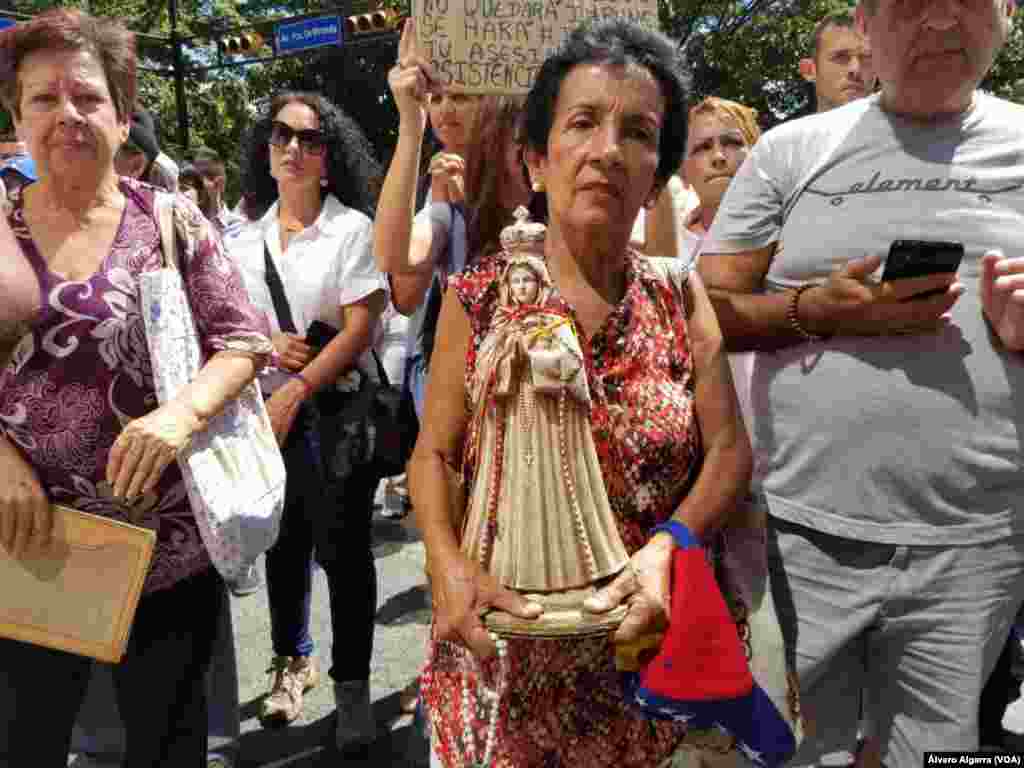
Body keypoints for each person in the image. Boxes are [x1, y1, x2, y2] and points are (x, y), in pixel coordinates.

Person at [410, 18, 757, 768]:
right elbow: (433, 454)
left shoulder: (676, 293)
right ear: (537, 159)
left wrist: (672, 545)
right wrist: (446, 563)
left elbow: (728, 450)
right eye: (583, 123)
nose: (607, 150)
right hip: (503, 676)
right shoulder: (476, 299)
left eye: (637, 131)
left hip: (650, 671)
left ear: (658, 166)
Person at [699, 0, 1024, 764]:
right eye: (912, 3)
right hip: (800, 537)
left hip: (976, 550)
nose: (942, 21)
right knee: (792, 752)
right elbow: (701, 310)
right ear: (866, 24)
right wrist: (818, 310)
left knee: (936, 755)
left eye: (968, 2)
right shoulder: (791, 151)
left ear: (1007, 15)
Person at [0, 9, 273, 767]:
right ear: (17, 117)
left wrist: (178, 418)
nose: (67, 116)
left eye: (87, 98)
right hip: (24, 548)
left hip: (164, 548)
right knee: (24, 746)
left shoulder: (169, 220)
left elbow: (244, 341)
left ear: (123, 117)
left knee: (168, 749)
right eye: (43, 99)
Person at [229, 90, 388, 752]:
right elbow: (230, 326)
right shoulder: (241, 239)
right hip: (265, 418)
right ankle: (292, 664)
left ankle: (352, 690)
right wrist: (267, 349)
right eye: (281, 135)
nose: (293, 147)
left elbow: (360, 327)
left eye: (310, 139)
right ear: (265, 152)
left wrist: (297, 386)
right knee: (283, 547)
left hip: (336, 417)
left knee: (344, 554)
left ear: (330, 158)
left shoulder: (352, 229)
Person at [798, 11, 876, 113]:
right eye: (840, 57)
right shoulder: (792, 129)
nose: (856, 69)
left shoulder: (900, 127)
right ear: (809, 70)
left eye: (866, 57)